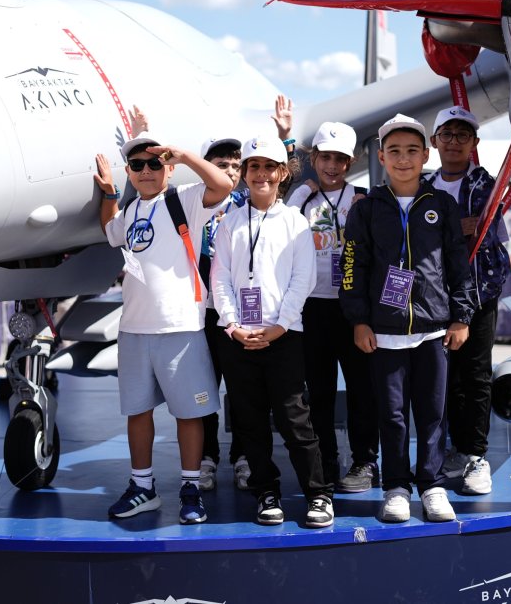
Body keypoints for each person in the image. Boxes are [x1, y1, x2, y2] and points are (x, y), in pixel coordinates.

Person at [93, 131, 233, 524]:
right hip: (135, 330)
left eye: (155, 163)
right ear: (129, 172)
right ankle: (143, 487)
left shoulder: (184, 199)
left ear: (168, 167)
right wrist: (108, 195)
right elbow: (110, 232)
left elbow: (222, 185)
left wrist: (186, 155)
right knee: (138, 412)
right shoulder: (132, 209)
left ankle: (190, 487)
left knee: (188, 414)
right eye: (137, 165)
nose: (147, 171)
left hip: (180, 327)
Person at [340, 114, 474, 523]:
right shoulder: (365, 210)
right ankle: (396, 487)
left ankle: (431, 485)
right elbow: (351, 267)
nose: (403, 159)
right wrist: (359, 320)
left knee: (433, 413)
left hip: (435, 329)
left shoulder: (441, 206)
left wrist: (461, 316)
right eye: (394, 151)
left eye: (412, 151)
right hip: (385, 332)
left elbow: (457, 263)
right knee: (393, 415)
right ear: (381, 157)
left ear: (425, 154)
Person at [210, 136, 334, 528]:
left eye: (269, 167)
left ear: (283, 173)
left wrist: (279, 327)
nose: (260, 174)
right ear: (244, 173)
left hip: (284, 336)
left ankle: (318, 494)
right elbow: (221, 279)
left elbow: (303, 279)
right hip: (239, 338)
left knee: (294, 418)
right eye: (253, 167)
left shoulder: (296, 222)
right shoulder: (229, 223)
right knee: (249, 420)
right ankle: (266, 491)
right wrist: (232, 325)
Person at [285, 118, 380, 493]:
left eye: (340, 159)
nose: (332, 166)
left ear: (352, 160)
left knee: (362, 388)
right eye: (325, 157)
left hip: (352, 308)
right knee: (318, 392)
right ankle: (325, 461)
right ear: (314, 157)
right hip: (312, 308)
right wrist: (297, 193)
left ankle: (364, 462)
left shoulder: (362, 197)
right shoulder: (302, 198)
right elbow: (286, 231)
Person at [423, 106, 507, 496]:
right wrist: (459, 226)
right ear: (435, 141)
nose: (454, 142)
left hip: (477, 296)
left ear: (474, 143)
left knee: (474, 375)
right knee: (439, 378)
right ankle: (444, 451)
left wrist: (442, 228)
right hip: (430, 298)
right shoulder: (422, 186)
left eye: (462, 135)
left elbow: (488, 230)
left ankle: (474, 454)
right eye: (447, 134)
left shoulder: (486, 184)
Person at [195, 134, 251, 491]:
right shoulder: (189, 204)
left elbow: (284, 179)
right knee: (202, 391)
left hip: (239, 314)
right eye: (221, 165)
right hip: (200, 315)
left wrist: (287, 141)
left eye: (235, 165)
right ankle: (206, 457)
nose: (230, 171)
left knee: (243, 389)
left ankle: (243, 455)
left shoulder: (249, 203)